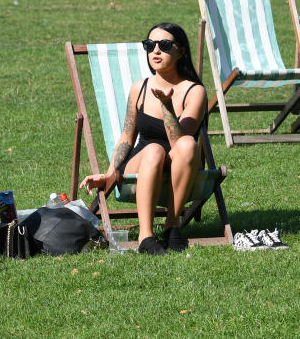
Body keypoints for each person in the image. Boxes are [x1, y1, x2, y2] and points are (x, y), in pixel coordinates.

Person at [80, 23, 207, 255]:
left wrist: (167, 106)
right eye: (150, 45)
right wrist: (110, 173)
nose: (155, 51)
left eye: (165, 45)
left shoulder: (194, 91)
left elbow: (180, 143)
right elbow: (127, 137)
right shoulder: (139, 88)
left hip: (182, 164)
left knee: (188, 143)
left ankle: (172, 226)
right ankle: (145, 237)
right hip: (146, 161)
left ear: (181, 51)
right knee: (154, 150)